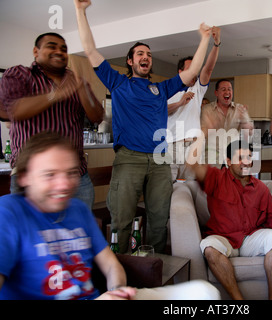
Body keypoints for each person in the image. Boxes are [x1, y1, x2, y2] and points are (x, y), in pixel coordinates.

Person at [0, 131, 220, 300]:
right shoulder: (9, 213)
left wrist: (117, 291)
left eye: (70, 173)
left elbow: (111, 264)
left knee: (205, 292)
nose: (64, 184)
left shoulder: (76, 209)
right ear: (24, 178)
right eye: (49, 175)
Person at [74, 0, 211, 254]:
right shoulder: (118, 83)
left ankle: (153, 272)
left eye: (148, 54)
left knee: (159, 223)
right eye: (140, 54)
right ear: (130, 61)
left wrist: (204, 38)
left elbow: (192, 71)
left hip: (161, 160)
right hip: (129, 159)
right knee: (122, 223)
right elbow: (90, 49)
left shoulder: (162, 88)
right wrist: (80, 11)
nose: (145, 57)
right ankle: (120, 279)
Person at [0, 32, 104, 209]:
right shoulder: (20, 74)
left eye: (63, 49)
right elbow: (12, 110)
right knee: (32, 233)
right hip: (31, 178)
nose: (59, 51)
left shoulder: (76, 81)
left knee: (77, 231)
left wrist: (83, 91)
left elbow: (97, 117)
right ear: (36, 51)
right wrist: (56, 94)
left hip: (76, 177)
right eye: (52, 46)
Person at [186, 132, 272, 300]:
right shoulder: (216, 178)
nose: (246, 162)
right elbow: (192, 163)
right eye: (240, 157)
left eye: (249, 157)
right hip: (223, 237)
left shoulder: (260, 188)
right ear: (228, 161)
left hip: (250, 237)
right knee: (209, 248)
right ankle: (239, 302)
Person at [167, 26, 221, 181]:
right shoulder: (167, 89)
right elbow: (160, 111)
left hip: (193, 146)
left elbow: (208, 68)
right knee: (168, 188)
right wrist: (179, 103)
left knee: (193, 187)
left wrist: (216, 44)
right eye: (190, 69)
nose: (194, 72)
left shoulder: (197, 88)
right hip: (171, 145)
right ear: (180, 72)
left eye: (195, 69)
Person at [200, 79, 254, 166]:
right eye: (223, 89)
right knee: (214, 180)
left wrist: (244, 119)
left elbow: (250, 132)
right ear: (216, 93)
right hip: (212, 159)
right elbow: (203, 133)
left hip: (233, 158)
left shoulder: (239, 109)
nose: (227, 92)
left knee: (232, 180)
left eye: (229, 89)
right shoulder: (207, 109)